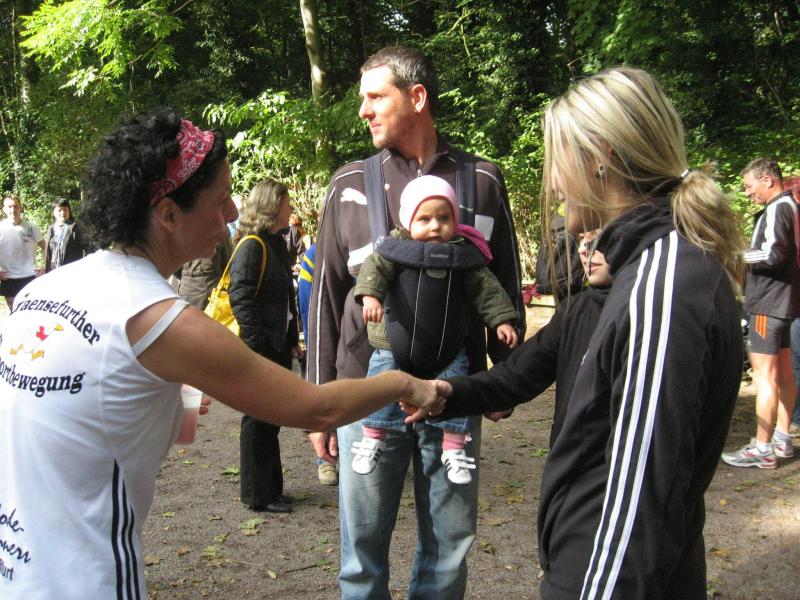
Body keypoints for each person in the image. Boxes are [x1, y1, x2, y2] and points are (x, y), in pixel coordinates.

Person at [0, 109, 446, 599]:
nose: (233, 212)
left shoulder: (47, 289)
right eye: (220, 200)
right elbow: (316, 409)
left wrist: (176, 400)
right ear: (168, 214)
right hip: (84, 580)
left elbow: (91, 410)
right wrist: (407, 383)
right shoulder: (159, 318)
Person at [429, 67, 744, 599]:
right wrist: (445, 393)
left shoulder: (662, 286)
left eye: (557, 162)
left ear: (601, 157)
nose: (554, 184)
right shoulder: (634, 278)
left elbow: (639, 504)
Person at [306, 45, 525, 599]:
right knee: (361, 547)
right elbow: (327, 296)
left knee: (450, 542)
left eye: (375, 97)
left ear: (417, 97)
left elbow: (502, 284)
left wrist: (505, 378)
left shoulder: (483, 180)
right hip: (364, 390)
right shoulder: (347, 184)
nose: (364, 110)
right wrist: (319, 403)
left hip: (456, 388)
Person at [352, 175, 519, 483]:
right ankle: (373, 435)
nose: (435, 226)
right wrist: (370, 297)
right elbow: (373, 270)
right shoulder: (394, 248)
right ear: (408, 220)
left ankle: (454, 446)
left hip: (447, 345)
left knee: (455, 384)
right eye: (425, 219)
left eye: (444, 218)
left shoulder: (462, 255)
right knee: (381, 380)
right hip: (393, 343)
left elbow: (488, 290)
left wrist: (501, 320)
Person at [722, 158, 800, 468]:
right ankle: (782, 439)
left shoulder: (777, 208)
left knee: (765, 377)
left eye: (749, 186)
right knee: (783, 373)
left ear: (767, 180)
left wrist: (734, 254)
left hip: (768, 305)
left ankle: (763, 448)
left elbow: (772, 253)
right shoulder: (790, 206)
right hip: (784, 304)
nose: (747, 192)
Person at [231, 179, 302, 513]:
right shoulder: (252, 245)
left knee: (270, 419)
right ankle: (258, 495)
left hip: (276, 346)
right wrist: (258, 345)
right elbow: (241, 298)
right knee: (258, 420)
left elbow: (285, 299)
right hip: (262, 349)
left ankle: (272, 490)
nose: (291, 209)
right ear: (272, 206)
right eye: (286, 203)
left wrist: (291, 340)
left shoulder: (275, 243)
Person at [297, 242, 338, 485]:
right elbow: (306, 304)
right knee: (324, 392)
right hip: (324, 333)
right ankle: (325, 459)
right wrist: (312, 338)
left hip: (356, 335)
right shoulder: (315, 254)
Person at [0, 193, 46, 309]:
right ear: (4, 209)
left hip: (30, 275)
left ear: (20, 207)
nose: (13, 210)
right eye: (9, 207)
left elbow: (44, 246)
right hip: (9, 277)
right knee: (13, 309)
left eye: (15, 206)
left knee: (30, 310)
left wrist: (44, 266)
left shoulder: (31, 227)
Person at [44, 197, 91, 272]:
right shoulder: (51, 229)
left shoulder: (76, 228)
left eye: (65, 209)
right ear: (53, 212)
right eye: (59, 210)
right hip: (54, 271)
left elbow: (89, 249)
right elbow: (48, 254)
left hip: (72, 271)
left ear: (69, 211)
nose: (63, 212)